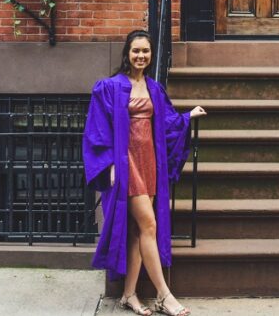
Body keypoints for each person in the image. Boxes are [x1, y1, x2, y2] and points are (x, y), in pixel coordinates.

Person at [83, 30, 206, 316]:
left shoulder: (154, 89)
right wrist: (110, 164)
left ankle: (129, 294)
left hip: (149, 161)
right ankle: (164, 295)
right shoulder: (109, 87)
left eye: (146, 52)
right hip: (127, 163)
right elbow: (97, 130)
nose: (141, 56)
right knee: (149, 225)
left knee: (140, 231)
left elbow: (167, 123)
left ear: (151, 56)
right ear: (127, 53)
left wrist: (188, 117)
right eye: (136, 51)